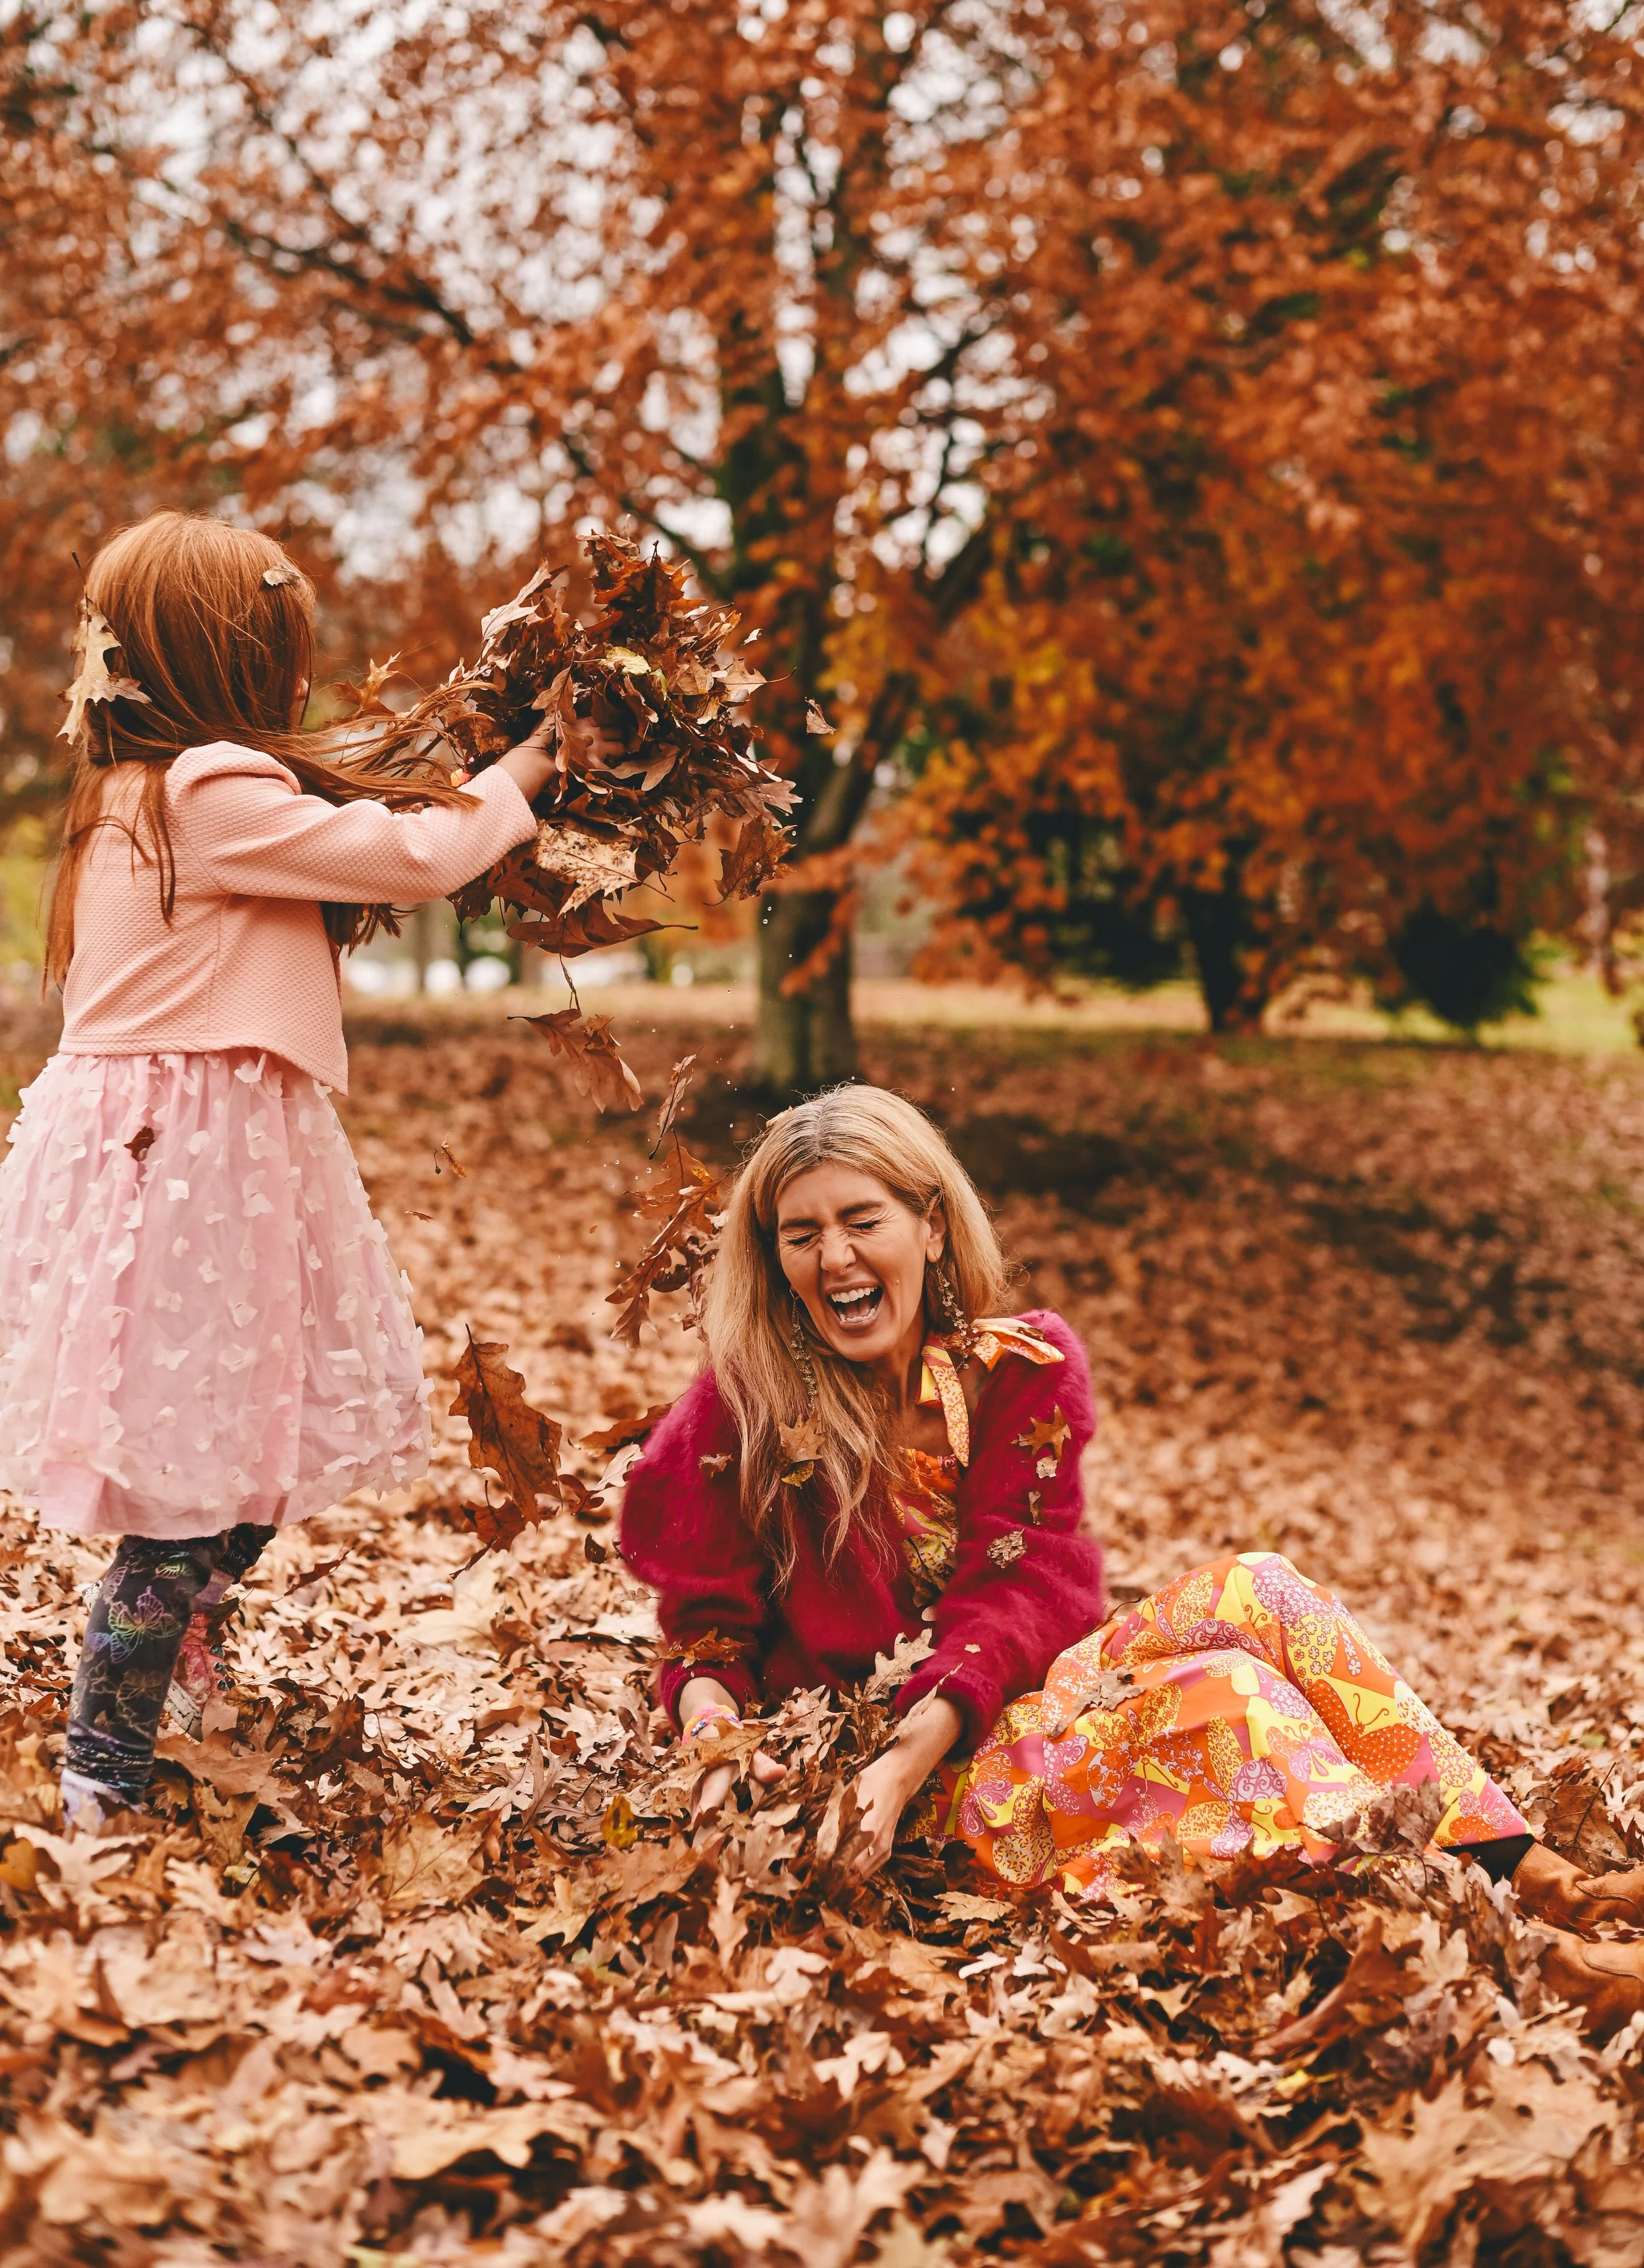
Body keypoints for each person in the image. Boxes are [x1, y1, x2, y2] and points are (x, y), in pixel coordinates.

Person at [621, 1085, 1644, 2038]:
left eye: (862, 1221)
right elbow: (707, 1636)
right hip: (891, 1785)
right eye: (801, 1236)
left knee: (1263, 1588)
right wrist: (719, 1742)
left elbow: (1027, 1583)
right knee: (1229, 1700)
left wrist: (930, 1732)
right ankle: (1517, 1954)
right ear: (776, 1259)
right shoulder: (742, 1410)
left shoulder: (1018, 1368)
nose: (834, 1258)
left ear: (931, 1226)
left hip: (978, 1709)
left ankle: (1545, 1882)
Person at [0, 508, 554, 1830]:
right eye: (279, 660)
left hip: (207, 1150)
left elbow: (354, 800)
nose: (298, 688)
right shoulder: (202, 794)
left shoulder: (150, 796)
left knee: (243, 1444)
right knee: (196, 1481)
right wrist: (525, 772)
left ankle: (178, 1643)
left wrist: (454, 738)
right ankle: (104, 1765)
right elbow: (415, 855)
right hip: (186, 1159)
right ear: (222, 670)